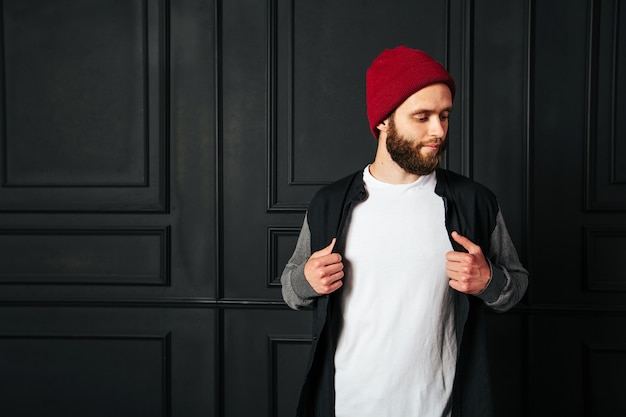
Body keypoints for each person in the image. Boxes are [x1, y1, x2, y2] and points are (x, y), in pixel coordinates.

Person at [280, 46, 529, 417]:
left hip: (442, 407)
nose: (438, 131)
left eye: (445, 116)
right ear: (383, 120)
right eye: (422, 116)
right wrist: (307, 281)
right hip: (348, 405)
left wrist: (488, 281)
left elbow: (515, 287)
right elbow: (292, 289)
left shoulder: (474, 202)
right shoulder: (329, 204)